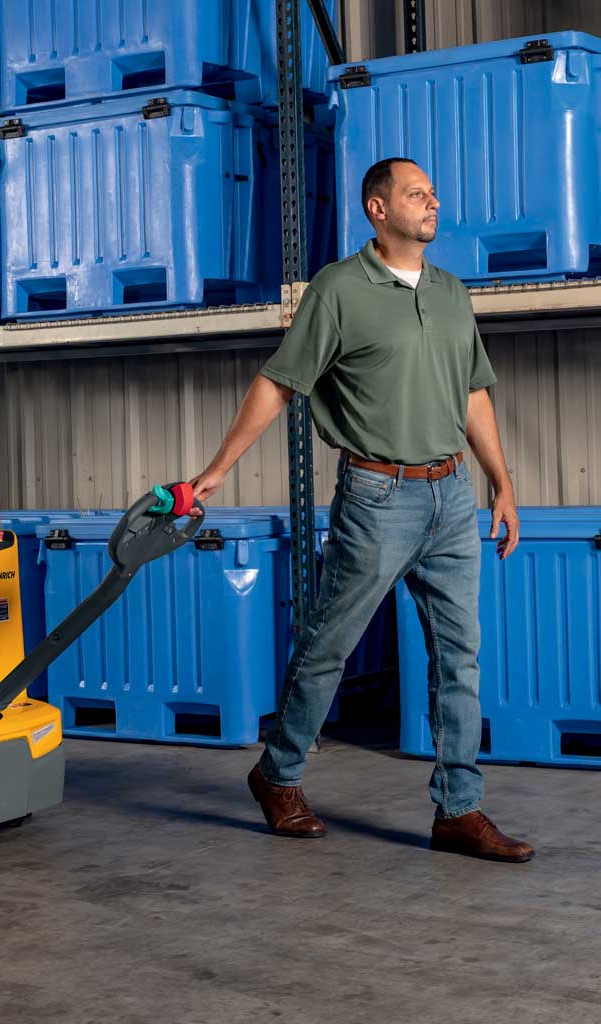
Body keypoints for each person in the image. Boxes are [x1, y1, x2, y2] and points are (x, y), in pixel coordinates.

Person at [191, 157, 534, 863]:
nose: (433, 202)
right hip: (377, 498)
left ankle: (458, 809)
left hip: (451, 493)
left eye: (434, 192)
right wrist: (217, 470)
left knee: (459, 657)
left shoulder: (449, 291)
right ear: (377, 209)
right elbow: (280, 383)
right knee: (328, 649)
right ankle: (277, 774)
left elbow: (473, 392)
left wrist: (501, 481)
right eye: (417, 194)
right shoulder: (339, 290)